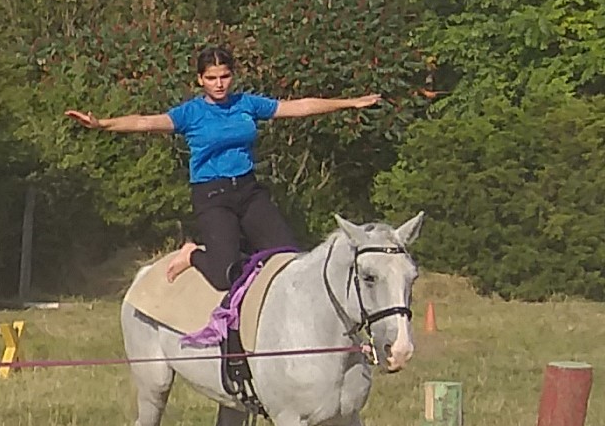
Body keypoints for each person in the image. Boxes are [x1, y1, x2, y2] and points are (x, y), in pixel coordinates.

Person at [66, 45, 381, 291]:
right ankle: (192, 253)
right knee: (223, 274)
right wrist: (103, 124)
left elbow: (298, 106)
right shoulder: (191, 113)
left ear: (233, 76)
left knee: (287, 258)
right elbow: (146, 122)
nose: (219, 84)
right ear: (200, 79)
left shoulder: (246, 104)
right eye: (212, 78)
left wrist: (348, 103)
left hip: (247, 190)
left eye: (225, 76)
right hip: (212, 195)